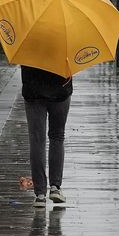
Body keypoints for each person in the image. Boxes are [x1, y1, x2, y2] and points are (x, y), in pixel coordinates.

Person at [21, 64, 72, 207]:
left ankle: (40, 194)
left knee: (37, 140)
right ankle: (55, 187)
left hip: (33, 90)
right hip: (60, 88)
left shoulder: (26, 42)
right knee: (57, 136)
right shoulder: (65, 41)